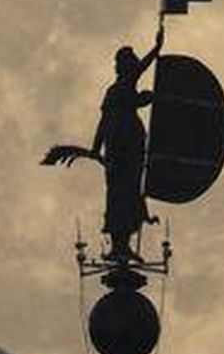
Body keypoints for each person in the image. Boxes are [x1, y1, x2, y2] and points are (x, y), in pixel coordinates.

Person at [41, 26, 162, 260]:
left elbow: (106, 120)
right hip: (120, 148)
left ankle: (123, 243)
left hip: (128, 146)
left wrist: (156, 49)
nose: (132, 67)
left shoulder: (120, 89)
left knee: (128, 189)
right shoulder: (119, 89)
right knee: (122, 192)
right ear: (125, 67)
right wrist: (96, 149)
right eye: (129, 63)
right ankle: (120, 244)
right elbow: (104, 122)